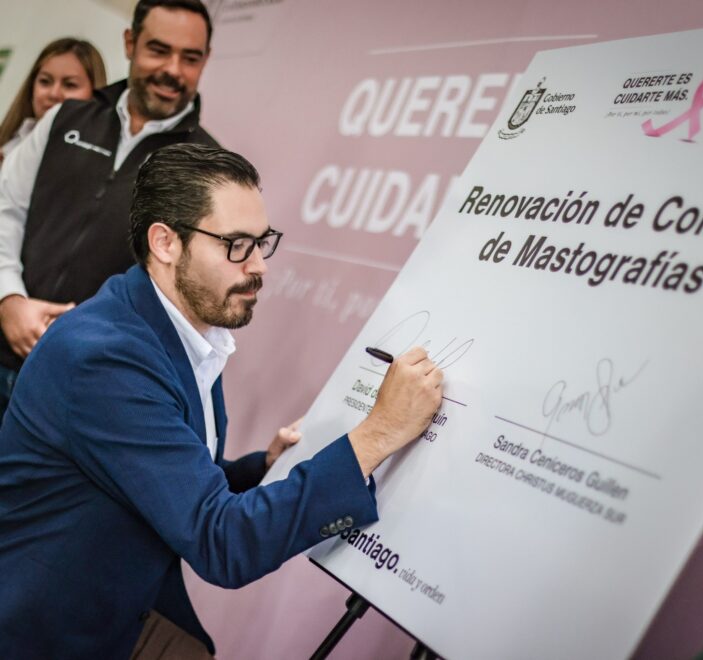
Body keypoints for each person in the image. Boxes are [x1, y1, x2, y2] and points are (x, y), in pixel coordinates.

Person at [0, 143, 444, 658]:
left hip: (122, 603)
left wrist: (263, 467)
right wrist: (379, 434)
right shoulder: (106, 359)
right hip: (48, 633)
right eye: (236, 245)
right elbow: (222, 542)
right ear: (165, 243)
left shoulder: (172, 324)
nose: (259, 267)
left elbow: (167, 476)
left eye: (262, 242)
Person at [0, 0, 218, 421]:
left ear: (205, 61)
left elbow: (186, 296)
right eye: (159, 50)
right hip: (4, 343)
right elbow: (6, 209)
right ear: (130, 43)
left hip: (83, 389)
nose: (173, 70)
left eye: (190, 58)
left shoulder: (205, 165)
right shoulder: (65, 119)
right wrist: (9, 300)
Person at [0, 38, 106, 165]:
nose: (54, 94)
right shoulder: (9, 145)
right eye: (45, 81)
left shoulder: (94, 162)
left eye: (70, 84)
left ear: (95, 94)